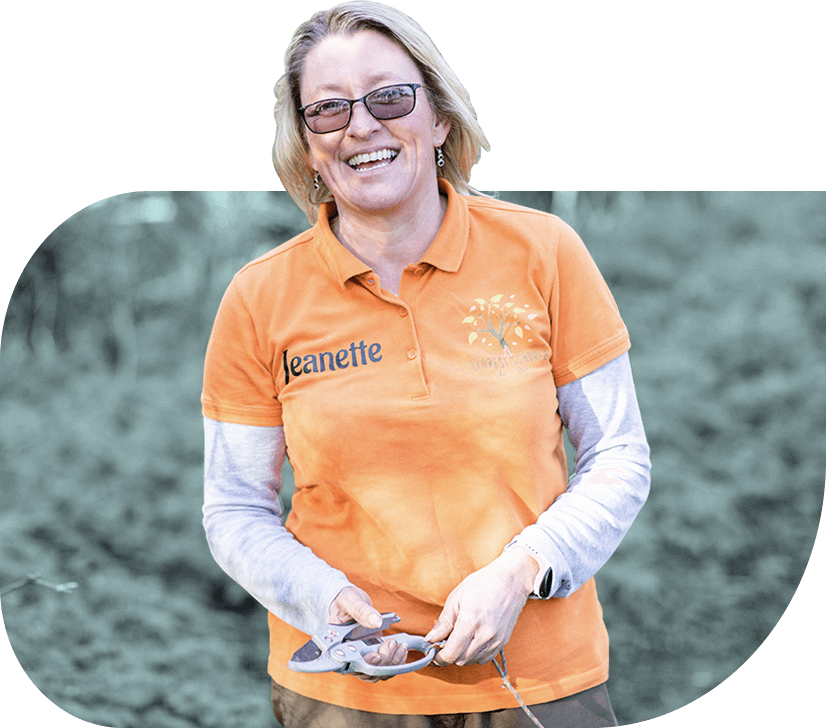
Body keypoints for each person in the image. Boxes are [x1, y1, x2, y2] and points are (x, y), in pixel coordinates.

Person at [201, 3, 651, 726]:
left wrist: (520, 571)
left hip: (539, 683)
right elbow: (234, 508)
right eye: (329, 110)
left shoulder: (545, 252)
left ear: (440, 117)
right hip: (346, 694)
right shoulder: (258, 297)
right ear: (308, 145)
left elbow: (619, 456)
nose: (361, 125)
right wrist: (326, 600)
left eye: (390, 96)